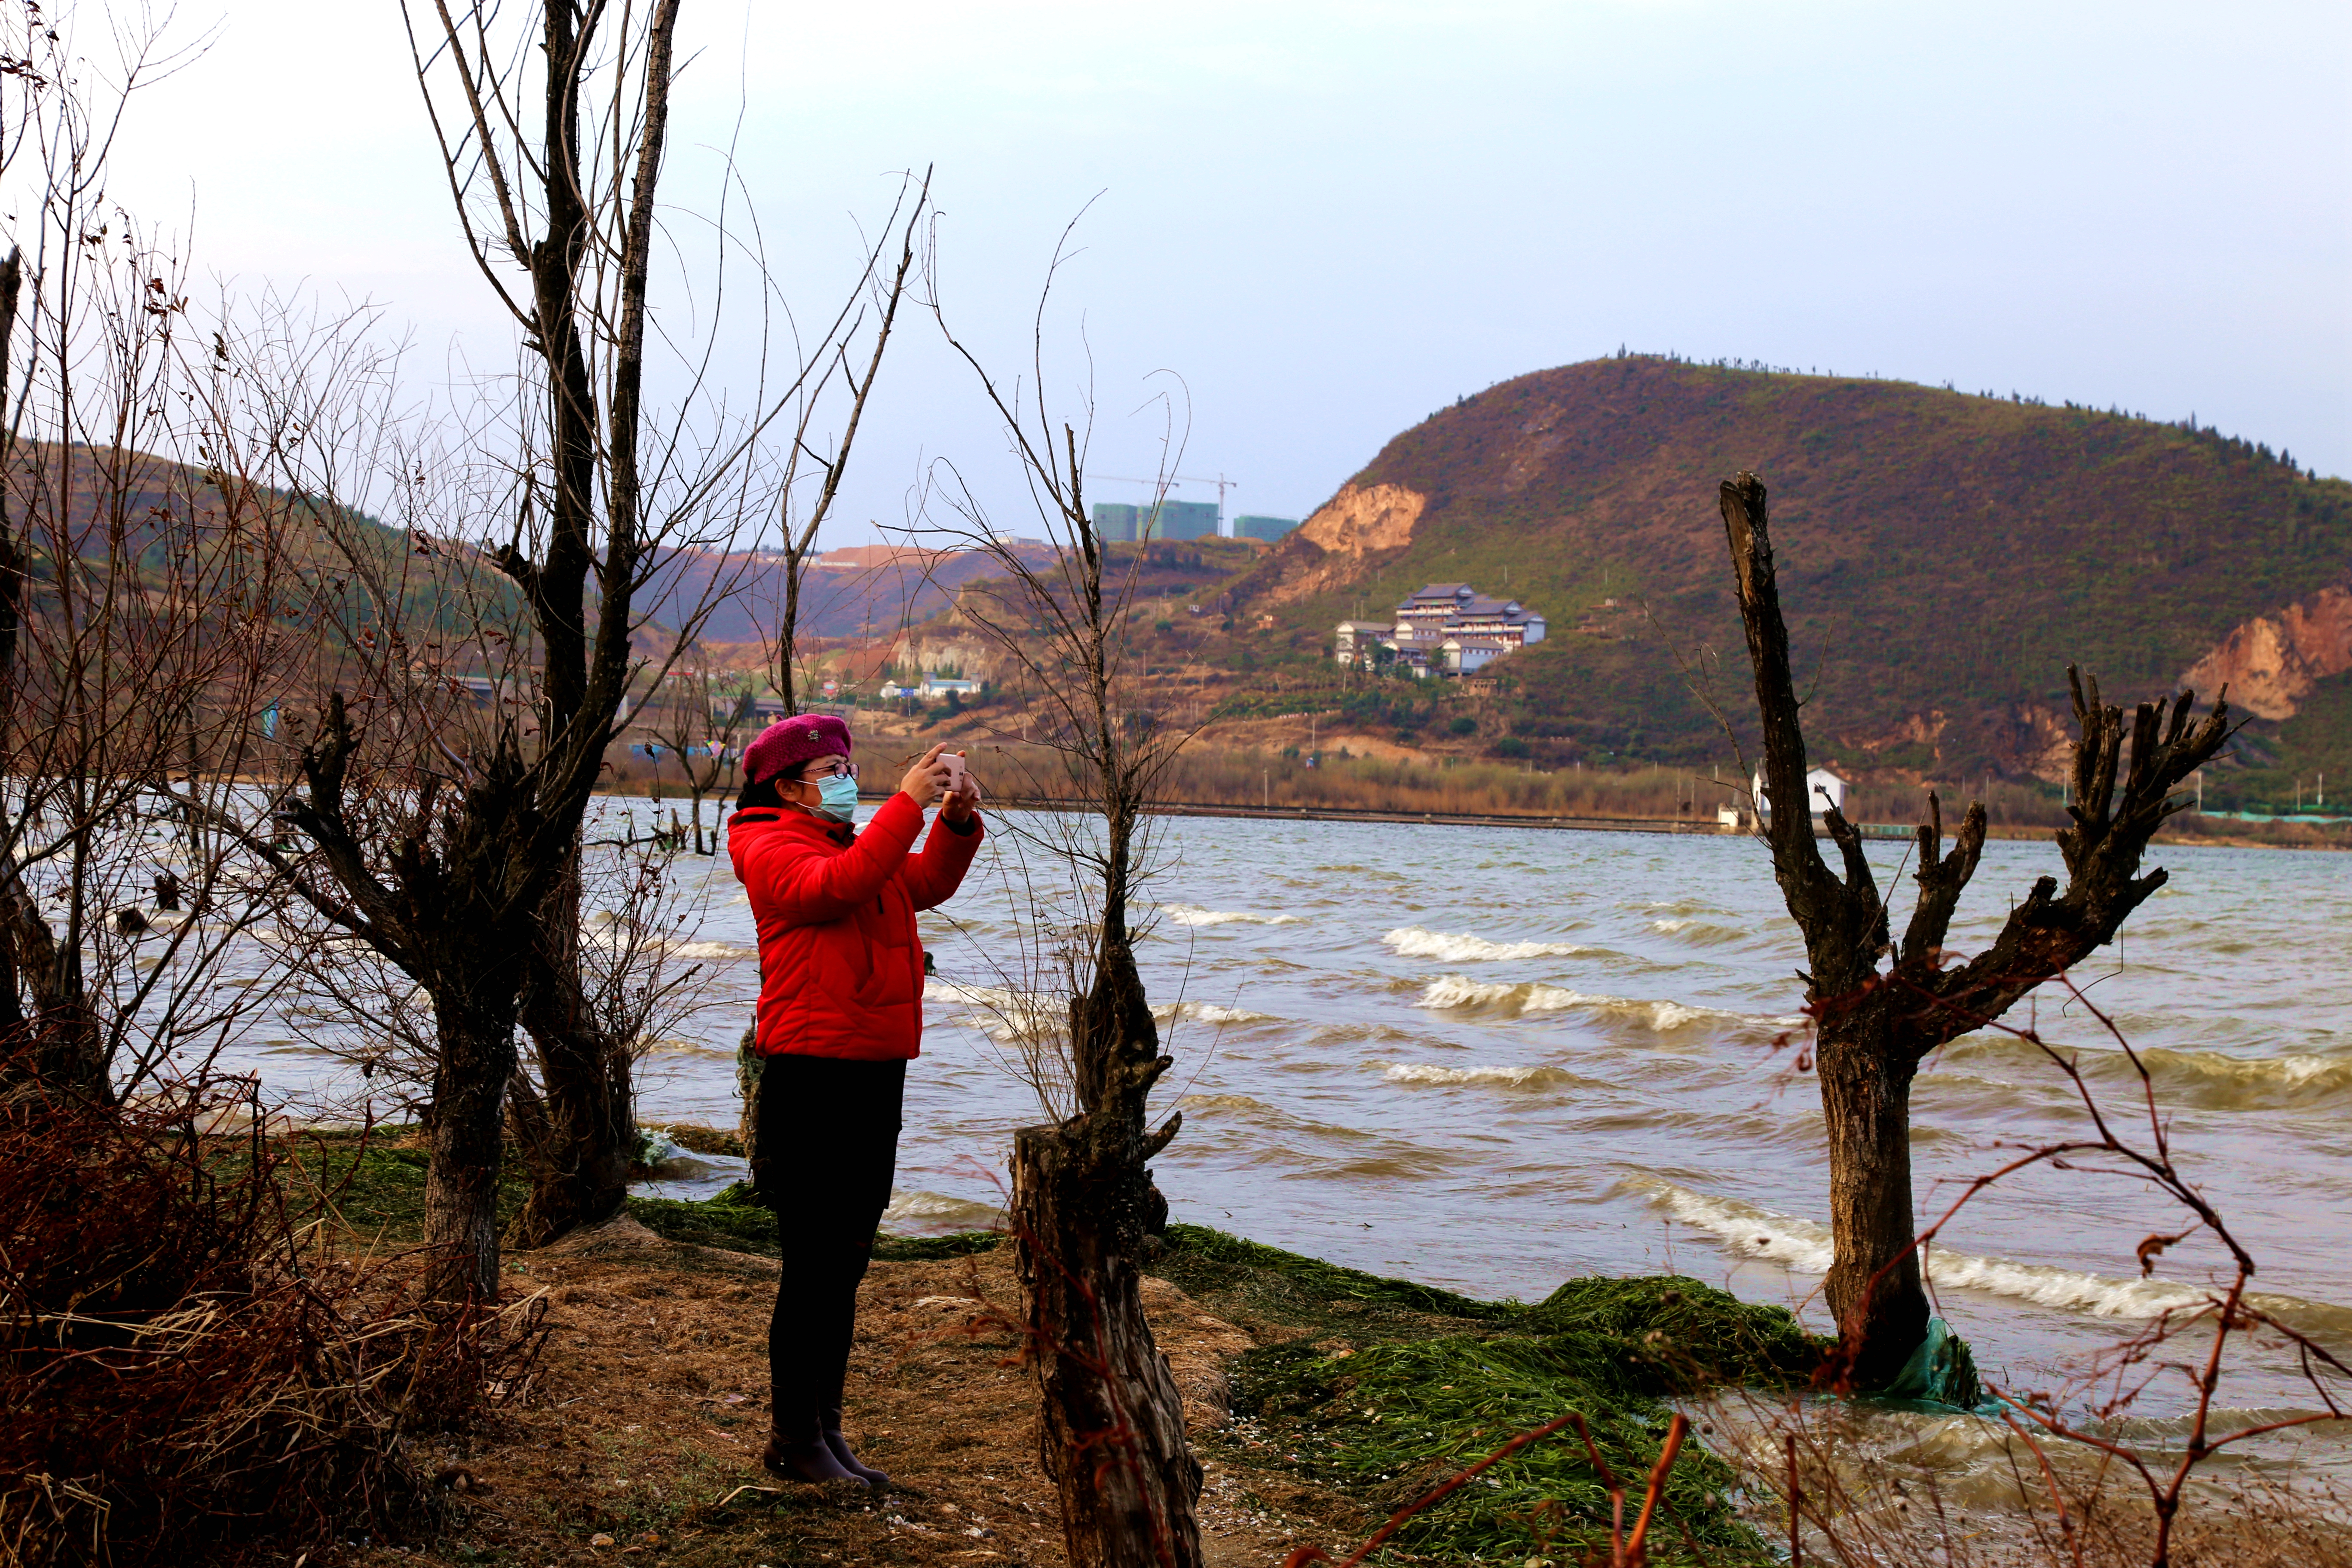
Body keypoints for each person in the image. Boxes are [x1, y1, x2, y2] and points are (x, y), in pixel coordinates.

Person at [726, 715, 983, 1486]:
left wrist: (955, 817)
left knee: (847, 1262)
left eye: (850, 765)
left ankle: (827, 1435)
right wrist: (905, 805)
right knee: (813, 1265)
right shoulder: (769, 845)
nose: (847, 779)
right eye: (832, 768)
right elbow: (832, 891)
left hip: (874, 1068)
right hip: (812, 1074)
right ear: (787, 785)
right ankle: (794, 1439)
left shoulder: (848, 845)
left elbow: (924, 882)